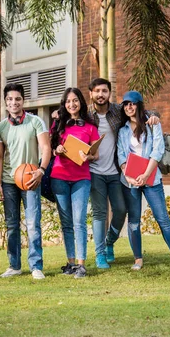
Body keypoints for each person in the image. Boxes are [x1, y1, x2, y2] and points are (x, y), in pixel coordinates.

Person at [86, 78, 161, 268]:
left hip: (115, 171)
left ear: (109, 94)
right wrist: (57, 113)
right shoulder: (86, 114)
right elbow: (67, 116)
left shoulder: (116, 111)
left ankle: (110, 240)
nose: (100, 94)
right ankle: (100, 253)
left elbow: (140, 109)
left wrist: (154, 116)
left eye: (104, 91)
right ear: (91, 94)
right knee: (99, 213)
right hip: (94, 171)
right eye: (97, 91)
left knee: (121, 210)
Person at [117, 90, 170, 271]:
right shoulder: (122, 131)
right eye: (126, 104)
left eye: (132, 103)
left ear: (139, 105)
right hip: (130, 180)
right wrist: (128, 175)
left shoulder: (152, 124)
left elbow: (158, 151)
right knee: (134, 221)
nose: (129, 107)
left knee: (163, 219)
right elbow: (121, 155)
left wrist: (145, 174)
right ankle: (138, 259)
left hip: (152, 179)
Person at [0, 83, 51, 280]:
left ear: (23, 101)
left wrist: (41, 170)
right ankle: (14, 265)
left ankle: (36, 266)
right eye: (9, 99)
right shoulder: (0, 128)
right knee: (11, 224)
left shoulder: (36, 122)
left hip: (32, 178)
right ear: (5, 102)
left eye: (17, 99)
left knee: (33, 223)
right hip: (9, 181)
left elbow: (45, 148)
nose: (14, 102)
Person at [51, 87, 100, 278]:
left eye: (75, 100)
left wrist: (87, 157)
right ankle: (70, 263)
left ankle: (81, 264)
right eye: (68, 101)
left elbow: (96, 154)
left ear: (81, 102)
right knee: (66, 223)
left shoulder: (90, 127)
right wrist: (58, 150)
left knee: (79, 221)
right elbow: (51, 147)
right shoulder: (58, 124)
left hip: (81, 178)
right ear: (64, 104)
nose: (72, 104)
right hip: (59, 176)